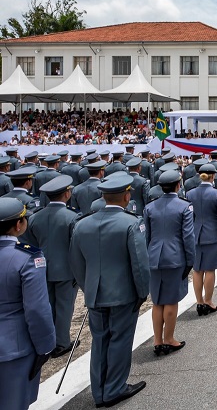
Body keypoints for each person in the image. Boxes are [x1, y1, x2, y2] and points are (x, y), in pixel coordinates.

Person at [69, 174, 150, 408]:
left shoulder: (82, 224)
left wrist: (88, 287)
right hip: (124, 293)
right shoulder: (131, 223)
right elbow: (139, 263)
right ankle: (114, 388)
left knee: (100, 340)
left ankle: (99, 391)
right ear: (126, 196)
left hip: (95, 292)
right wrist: (142, 292)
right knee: (120, 340)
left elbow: (76, 263)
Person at [0, 198, 56, 410]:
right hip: (14, 348)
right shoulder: (28, 257)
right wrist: (46, 346)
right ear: (18, 225)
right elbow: (37, 309)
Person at [25, 175, 80, 357]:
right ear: (66, 194)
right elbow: (76, 247)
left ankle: (48, 342)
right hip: (66, 269)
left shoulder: (35, 217)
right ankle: (62, 343)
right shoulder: (72, 217)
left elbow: (31, 245)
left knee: (47, 306)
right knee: (64, 307)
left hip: (42, 268)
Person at [143, 169, 195, 356]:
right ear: (178, 185)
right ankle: (169, 339)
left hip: (154, 256)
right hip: (175, 257)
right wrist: (191, 260)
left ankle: (157, 340)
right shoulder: (184, 207)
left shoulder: (149, 207)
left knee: (157, 301)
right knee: (171, 300)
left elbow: (147, 236)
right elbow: (188, 237)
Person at [187, 164, 217, 315]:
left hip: (195, 234)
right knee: (210, 269)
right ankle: (208, 301)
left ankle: (199, 302)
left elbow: (189, 217)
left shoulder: (190, 193)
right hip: (213, 235)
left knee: (197, 270)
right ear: (213, 176)